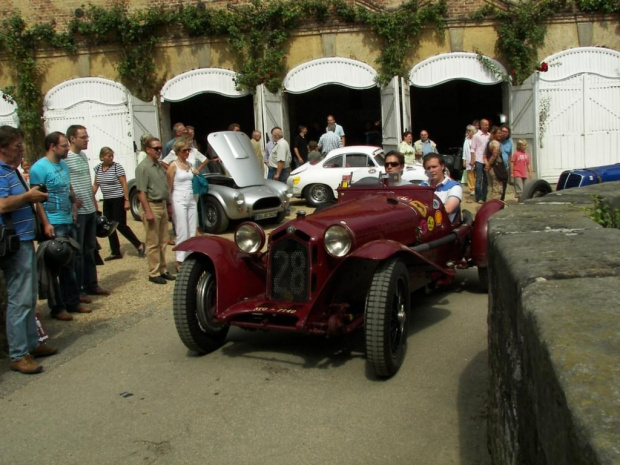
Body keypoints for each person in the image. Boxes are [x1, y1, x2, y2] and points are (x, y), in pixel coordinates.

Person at [0, 126, 58, 374]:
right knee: (19, 299)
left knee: (29, 295)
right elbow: (2, 205)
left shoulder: (12, 172)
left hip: (24, 239)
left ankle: (31, 344)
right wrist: (28, 198)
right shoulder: (1, 173)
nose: (21, 149)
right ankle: (18, 353)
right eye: (17, 146)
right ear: (3, 148)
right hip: (14, 243)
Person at [30, 131, 90, 321]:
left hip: (67, 219)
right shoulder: (39, 168)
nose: (66, 149)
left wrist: (73, 204)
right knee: (55, 266)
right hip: (53, 222)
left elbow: (68, 187)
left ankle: (72, 301)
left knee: (70, 263)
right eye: (63, 145)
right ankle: (57, 307)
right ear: (52, 146)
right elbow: (37, 199)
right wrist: (46, 223)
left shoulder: (63, 164)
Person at [65, 125, 110, 298]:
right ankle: (80, 288)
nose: (86, 140)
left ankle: (92, 284)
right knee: (78, 251)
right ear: (72, 139)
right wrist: (73, 199)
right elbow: (66, 181)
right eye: (83, 137)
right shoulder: (66, 158)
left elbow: (88, 180)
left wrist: (94, 202)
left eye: (87, 136)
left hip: (90, 209)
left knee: (91, 248)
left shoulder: (83, 156)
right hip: (79, 211)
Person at [135, 137, 176, 285]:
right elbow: (141, 192)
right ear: (148, 149)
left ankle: (163, 269)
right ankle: (153, 272)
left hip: (162, 205)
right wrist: (148, 211)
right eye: (156, 148)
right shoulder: (143, 167)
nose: (159, 151)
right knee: (153, 242)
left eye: (160, 148)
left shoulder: (158, 165)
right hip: (151, 206)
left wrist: (168, 204)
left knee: (163, 240)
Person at [93, 147, 145, 260]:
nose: (111, 158)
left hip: (118, 199)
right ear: (102, 157)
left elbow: (124, 184)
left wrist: (126, 200)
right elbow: (96, 184)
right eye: (108, 156)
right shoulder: (97, 169)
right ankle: (115, 251)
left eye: (112, 155)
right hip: (107, 200)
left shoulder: (117, 167)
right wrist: (90, 195)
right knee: (108, 226)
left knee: (121, 225)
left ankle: (139, 244)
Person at [166, 139, 198, 272]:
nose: (187, 152)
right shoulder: (173, 166)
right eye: (184, 150)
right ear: (178, 152)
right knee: (182, 230)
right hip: (178, 198)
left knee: (192, 229)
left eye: (188, 150)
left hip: (190, 198)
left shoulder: (189, 164)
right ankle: (179, 260)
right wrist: (169, 204)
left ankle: (190, 257)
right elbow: (168, 186)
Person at [421, 153, 462, 223]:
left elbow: (448, 209)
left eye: (434, 167)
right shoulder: (422, 186)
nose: (431, 170)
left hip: (445, 228)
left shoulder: (454, 187)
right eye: (428, 168)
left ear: (442, 166)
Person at [470, 118, 490, 204]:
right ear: (481, 125)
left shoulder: (490, 135)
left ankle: (484, 197)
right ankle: (478, 197)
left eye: (488, 125)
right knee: (478, 179)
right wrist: (472, 159)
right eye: (485, 125)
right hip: (478, 159)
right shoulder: (476, 136)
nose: (487, 126)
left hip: (487, 161)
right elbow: (473, 149)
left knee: (486, 180)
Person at [484, 127, 505, 201]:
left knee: (490, 187)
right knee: (497, 189)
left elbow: (485, 156)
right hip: (496, 168)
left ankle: (488, 203)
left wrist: (487, 165)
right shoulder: (496, 143)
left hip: (490, 169)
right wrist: (489, 164)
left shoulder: (489, 143)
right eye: (498, 133)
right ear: (494, 134)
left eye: (501, 133)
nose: (500, 134)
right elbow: (494, 155)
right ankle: (494, 206)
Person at [499, 125, 513, 200]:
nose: (504, 133)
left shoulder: (509, 142)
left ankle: (502, 201)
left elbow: (510, 156)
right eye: (503, 131)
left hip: (505, 168)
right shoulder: (496, 140)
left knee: (504, 186)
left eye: (506, 132)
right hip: (497, 168)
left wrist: (510, 169)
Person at [462, 125, 476, 196]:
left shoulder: (476, 139)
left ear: (473, 131)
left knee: (476, 174)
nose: (468, 132)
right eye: (467, 130)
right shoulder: (466, 139)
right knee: (470, 175)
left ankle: (477, 188)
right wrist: (464, 160)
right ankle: (472, 189)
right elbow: (464, 150)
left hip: (475, 159)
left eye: (469, 131)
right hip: (468, 159)